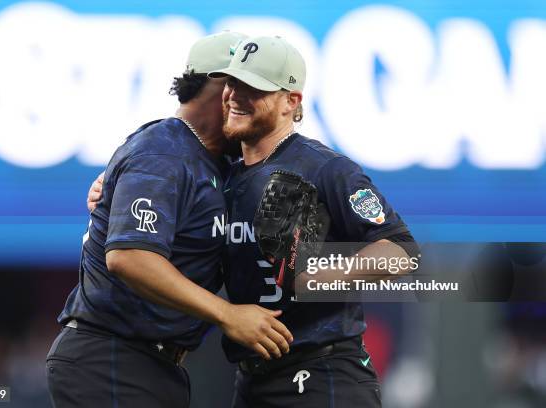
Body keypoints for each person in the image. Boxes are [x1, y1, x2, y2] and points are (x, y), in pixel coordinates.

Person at [46, 31, 293, 408]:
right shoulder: (163, 152)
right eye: (246, 88)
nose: (252, 102)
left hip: (152, 365)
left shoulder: (216, 161)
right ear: (220, 88)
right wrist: (228, 314)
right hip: (112, 357)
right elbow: (128, 256)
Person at [208, 35, 418, 407]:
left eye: (254, 87)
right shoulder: (223, 175)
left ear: (292, 101)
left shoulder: (325, 169)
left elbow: (401, 251)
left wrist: (318, 275)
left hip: (324, 376)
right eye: (233, 82)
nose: (236, 95)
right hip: (252, 381)